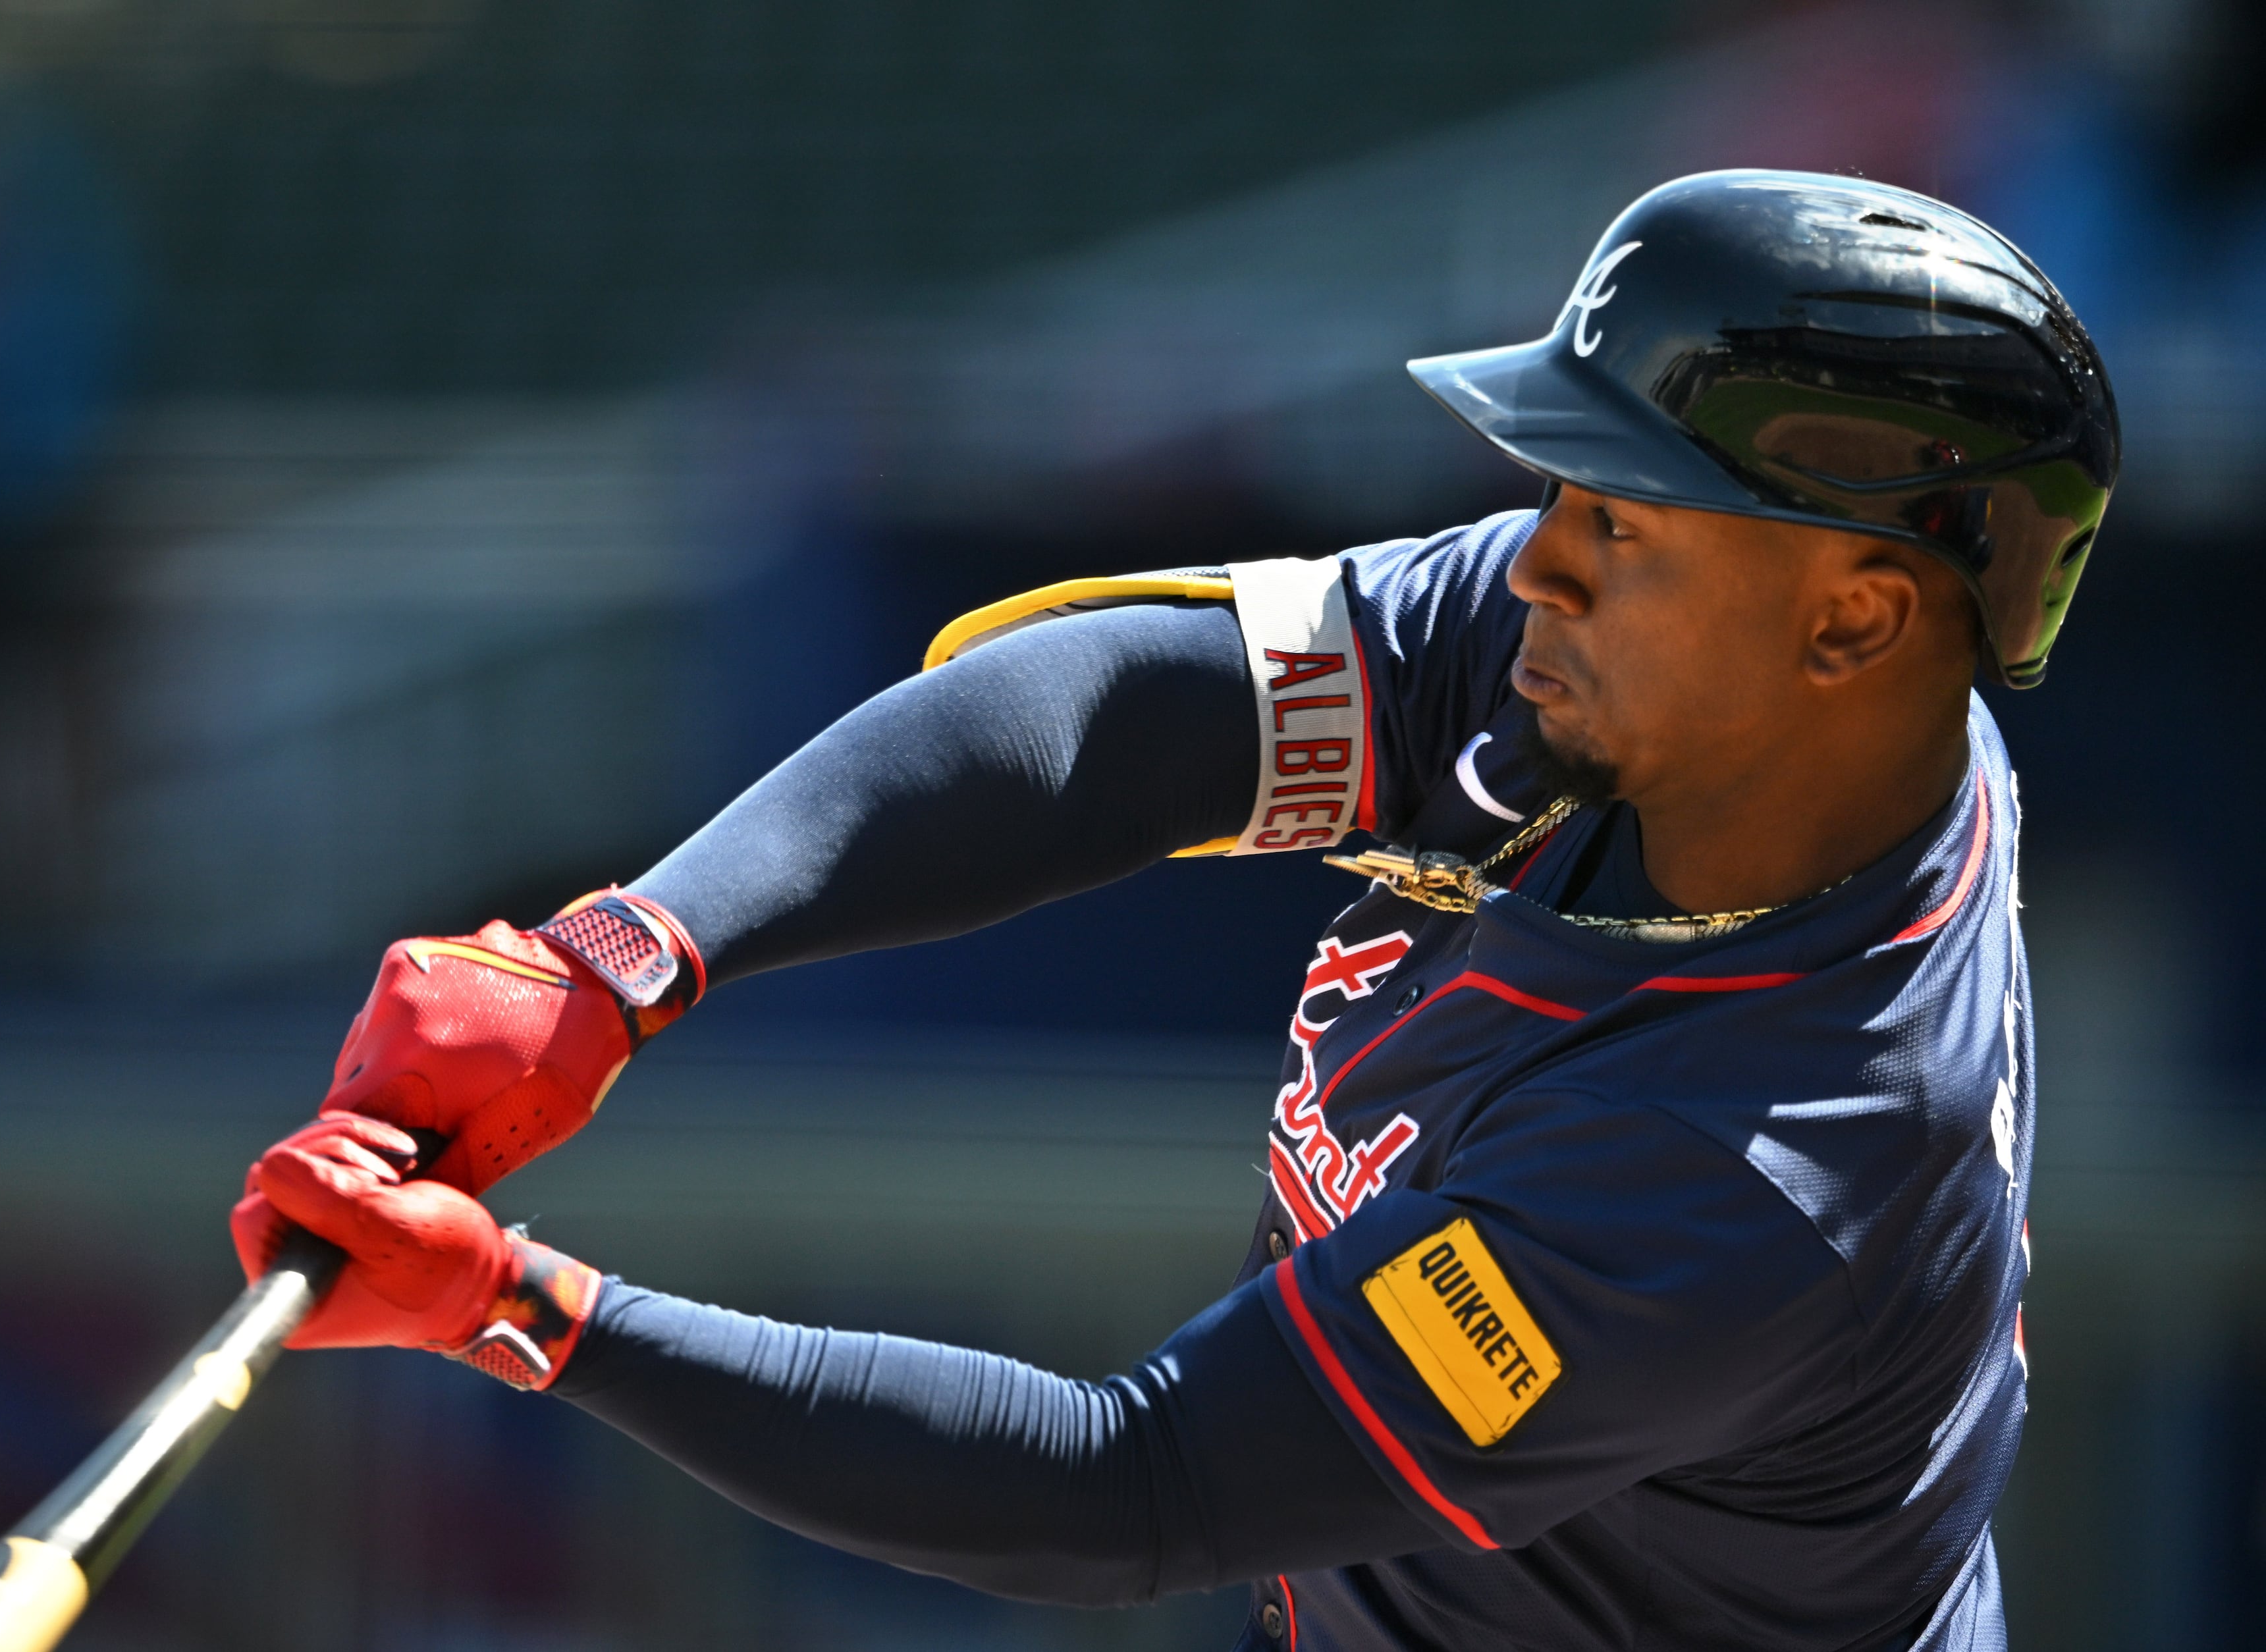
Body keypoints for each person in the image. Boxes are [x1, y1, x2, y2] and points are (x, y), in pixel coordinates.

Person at [227, 171, 2119, 1651]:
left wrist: (521, 1310)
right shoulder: (1688, 685)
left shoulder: (1755, 1171)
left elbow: (1130, 1484)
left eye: (1622, 516)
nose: (1535, 553)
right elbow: (1123, 719)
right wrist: (620, 961)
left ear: (1858, 617)